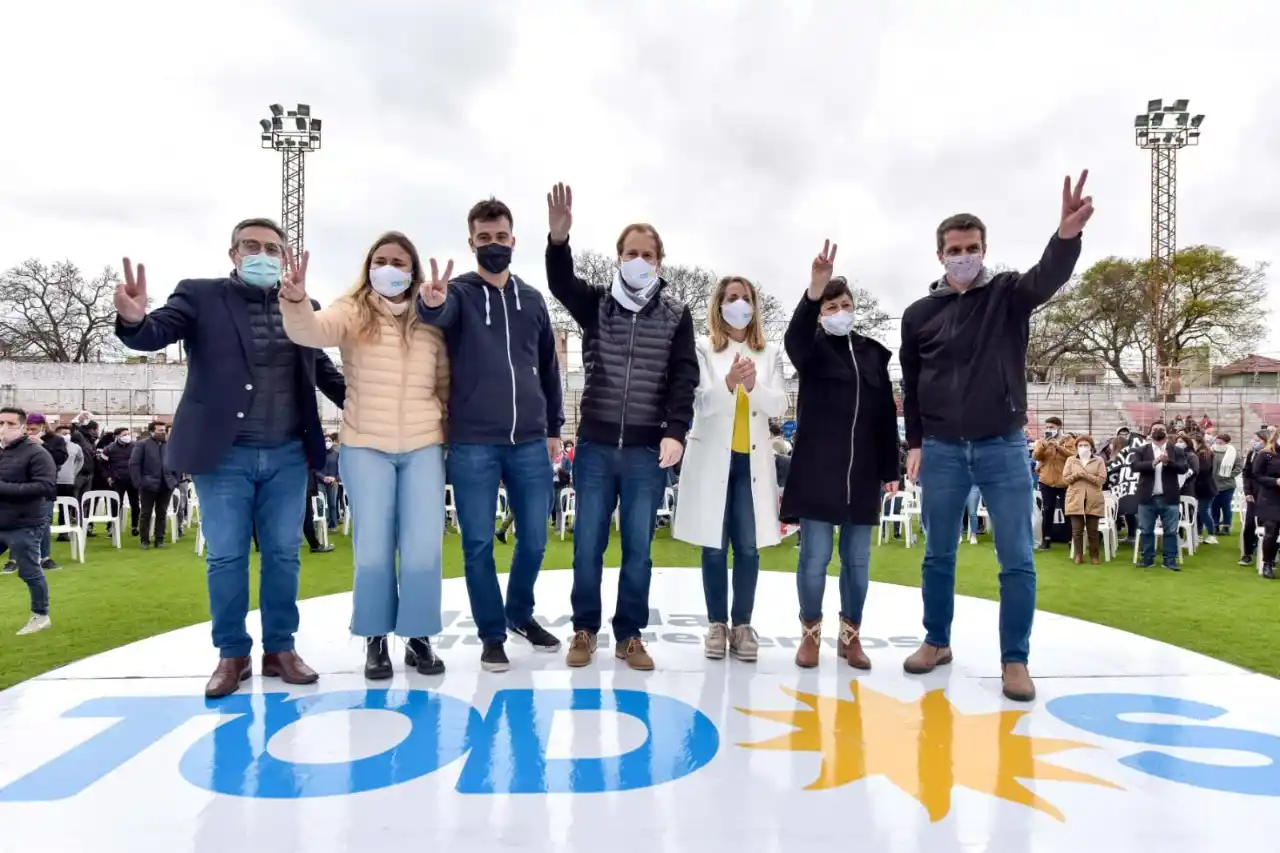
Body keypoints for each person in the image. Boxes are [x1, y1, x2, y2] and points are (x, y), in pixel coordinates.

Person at [114, 217, 347, 698]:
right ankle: (232, 654)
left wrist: (377, 406)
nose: (262, 254)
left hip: (287, 453)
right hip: (223, 456)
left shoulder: (304, 307)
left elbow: (323, 370)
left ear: (284, 257)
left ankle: (280, 649)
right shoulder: (200, 296)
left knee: (284, 555)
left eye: (272, 248)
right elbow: (154, 333)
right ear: (233, 253)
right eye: (251, 246)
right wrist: (134, 320)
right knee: (225, 557)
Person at [899, 170, 1094, 702]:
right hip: (941, 449)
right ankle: (936, 641)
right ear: (940, 255)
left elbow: (1047, 277)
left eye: (972, 248)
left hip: (1002, 445)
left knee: (1016, 557)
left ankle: (1014, 659)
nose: (963, 256)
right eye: (954, 249)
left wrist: (1066, 235)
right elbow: (911, 385)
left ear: (984, 250)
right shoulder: (918, 315)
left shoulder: (1007, 294)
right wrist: (915, 443)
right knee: (938, 554)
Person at [281, 230, 452, 679]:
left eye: (399, 262)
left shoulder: (430, 319)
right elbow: (311, 331)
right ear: (369, 267)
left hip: (423, 445)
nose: (389, 269)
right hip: (365, 446)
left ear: (413, 271)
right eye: (381, 261)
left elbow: (444, 382)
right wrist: (297, 302)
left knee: (422, 551)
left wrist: (448, 429)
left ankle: (418, 636)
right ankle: (375, 638)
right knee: (373, 551)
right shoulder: (353, 309)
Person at [544, 183, 699, 671]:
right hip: (594, 445)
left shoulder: (677, 315)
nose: (639, 260)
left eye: (648, 254)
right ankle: (584, 629)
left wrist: (676, 429)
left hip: (646, 452)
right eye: (631, 252)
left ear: (660, 262)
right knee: (587, 545)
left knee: (638, 550)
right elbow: (561, 283)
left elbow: (684, 376)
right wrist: (558, 239)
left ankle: (630, 635)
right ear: (619, 258)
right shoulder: (597, 304)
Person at [417, 198, 564, 673]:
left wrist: (555, 427)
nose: (493, 244)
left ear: (513, 240)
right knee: (477, 544)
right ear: (472, 242)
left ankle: (519, 613)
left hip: (530, 442)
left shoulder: (533, 300)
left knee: (536, 538)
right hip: (473, 443)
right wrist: (430, 302)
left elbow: (549, 367)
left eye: (501, 237)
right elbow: (435, 314)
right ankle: (491, 635)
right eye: (484, 238)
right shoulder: (458, 293)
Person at [781, 254, 900, 670]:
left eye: (845, 304)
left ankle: (851, 636)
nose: (839, 311)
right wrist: (814, 290)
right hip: (817, 473)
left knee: (858, 561)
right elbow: (794, 336)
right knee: (814, 559)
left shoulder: (873, 354)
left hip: (862, 475)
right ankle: (810, 633)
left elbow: (885, 415)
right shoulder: (810, 349)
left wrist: (890, 470)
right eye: (830, 307)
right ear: (820, 313)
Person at [672, 275, 788, 662]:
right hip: (713, 459)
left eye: (746, 297)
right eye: (732, 297)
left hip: (751, 461)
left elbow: (779, 407)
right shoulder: (704, 348)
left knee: (749, 548)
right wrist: (729, 381)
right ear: (719, 304)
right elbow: (701, 403)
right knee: (714, 545)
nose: (740, 304)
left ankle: (743, 625)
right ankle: (717, 624)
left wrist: (753, 386)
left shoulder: (769, 352)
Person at [0, 408, 58, 635]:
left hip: (24, 523)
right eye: (1, 423)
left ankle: (41, 615)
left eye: (10, 424)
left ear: (23, 427)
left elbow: (45, 486)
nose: (4, 428)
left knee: (29, 571)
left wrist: (3, 488)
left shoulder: (37, 453)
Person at [1131, 420, 1188, 571]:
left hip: (1169, 497)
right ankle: (1147, 559)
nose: (1157, 431)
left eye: (1161, 429)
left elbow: (1183, 468)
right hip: (1147, 497)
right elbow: (1134, 466)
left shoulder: (1176, 450)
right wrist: (1153, 463)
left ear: (1166, 432)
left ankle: (1169, 561)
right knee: (1146, 530)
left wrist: (1169, 462)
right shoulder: (1141, 450)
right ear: (1150, 433)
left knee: (1171, 531)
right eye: (1155, 428)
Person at [129, 421, 178, 550]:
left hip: (166, 484)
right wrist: (139, 483)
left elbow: (176, 463)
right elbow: (134, 464)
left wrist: (175, 480)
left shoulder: (170, 445)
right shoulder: (142, 445)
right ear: (152, 432)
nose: (163, 432)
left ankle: (159, 539)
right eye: (160, 430)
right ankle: (144, 540)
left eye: (164, 430)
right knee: (146, 513)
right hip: (148, 485)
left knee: (162, 513)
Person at [1032, 417, 1077, 549]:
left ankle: (1071, 539)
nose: (1049, 429)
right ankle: (1046, 539)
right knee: (1047, 510)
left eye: (1051, 427)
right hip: (1046, 480)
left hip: (1065, 481)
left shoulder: (1069, 440)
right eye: (1047, 427)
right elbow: (1036, 456)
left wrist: (1058, 447)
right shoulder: (1041, 441)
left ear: (1059, 427)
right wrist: (1043, 446)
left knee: (1067, 511)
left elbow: (1074, 456)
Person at [1063, 435, 1107, 564]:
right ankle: (1078, 555)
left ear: (1091, 447)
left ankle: (1094, 555)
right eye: (1080, 445)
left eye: (1086, 445)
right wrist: (1078, 474)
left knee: (1093, 531)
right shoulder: (1071, 460)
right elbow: (1065, 479)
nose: (1083, 447)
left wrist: (1086, 475)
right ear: (1076, 448)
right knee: (1077, 531)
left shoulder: (1099, 460)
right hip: (1075, 498)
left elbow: (1101, 480)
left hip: (1093, 498)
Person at [1251, 428, 1280, 580]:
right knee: (1271, 531)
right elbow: (1256, 475)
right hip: (1270, 498)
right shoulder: (1266, 454)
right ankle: (1267, 564)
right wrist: (1275, 481)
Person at [102, 427, 139, 537]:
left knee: (135, 504)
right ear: (117, 436)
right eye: (124, 435)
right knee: (116, 504)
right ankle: (112, 527)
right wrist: (108, 477)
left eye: (128, 434)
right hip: (117, 480)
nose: (127, 436)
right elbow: (103, 465)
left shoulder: (135, 446)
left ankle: (135, 526)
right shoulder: (109, 448)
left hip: (133, 480)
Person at [1239, 430, 1268, 567]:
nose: (1255, 442)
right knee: (1250, 524)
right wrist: (1247, 492)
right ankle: (1247, 553)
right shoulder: (1252, 454)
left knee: (1269, 525)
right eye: (1254, 439)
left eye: (1258, 440)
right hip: (1253, 495)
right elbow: (1246, 474)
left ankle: (1268, 557)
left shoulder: (1272, 455)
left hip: (1268, 495)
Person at [1210, 433, 1243, 537]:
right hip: (1213, 483)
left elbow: (1239, 467)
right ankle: (1215, 526)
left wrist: (1229, 475)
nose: (1218, 444)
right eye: (1217, 442)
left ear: (1227, 443)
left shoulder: (1233, 452)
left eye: (1221, 442)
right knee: (1214, 506)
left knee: (1226, 506)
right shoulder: (1211, 451)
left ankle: (1226, 527)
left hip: (1227, 484)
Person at [319, 433, 341, 531]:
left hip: (333, 481)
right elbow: (315, 469)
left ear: (332, 442)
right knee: (320, 504)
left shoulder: (337, 454)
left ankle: (333, 524)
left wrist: (336, 478)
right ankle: (321, 524)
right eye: (325, 441)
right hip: (321, 481)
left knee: (332, 504)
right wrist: (323, 477)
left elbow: (341, 469)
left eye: (329, 441)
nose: (327, 442)